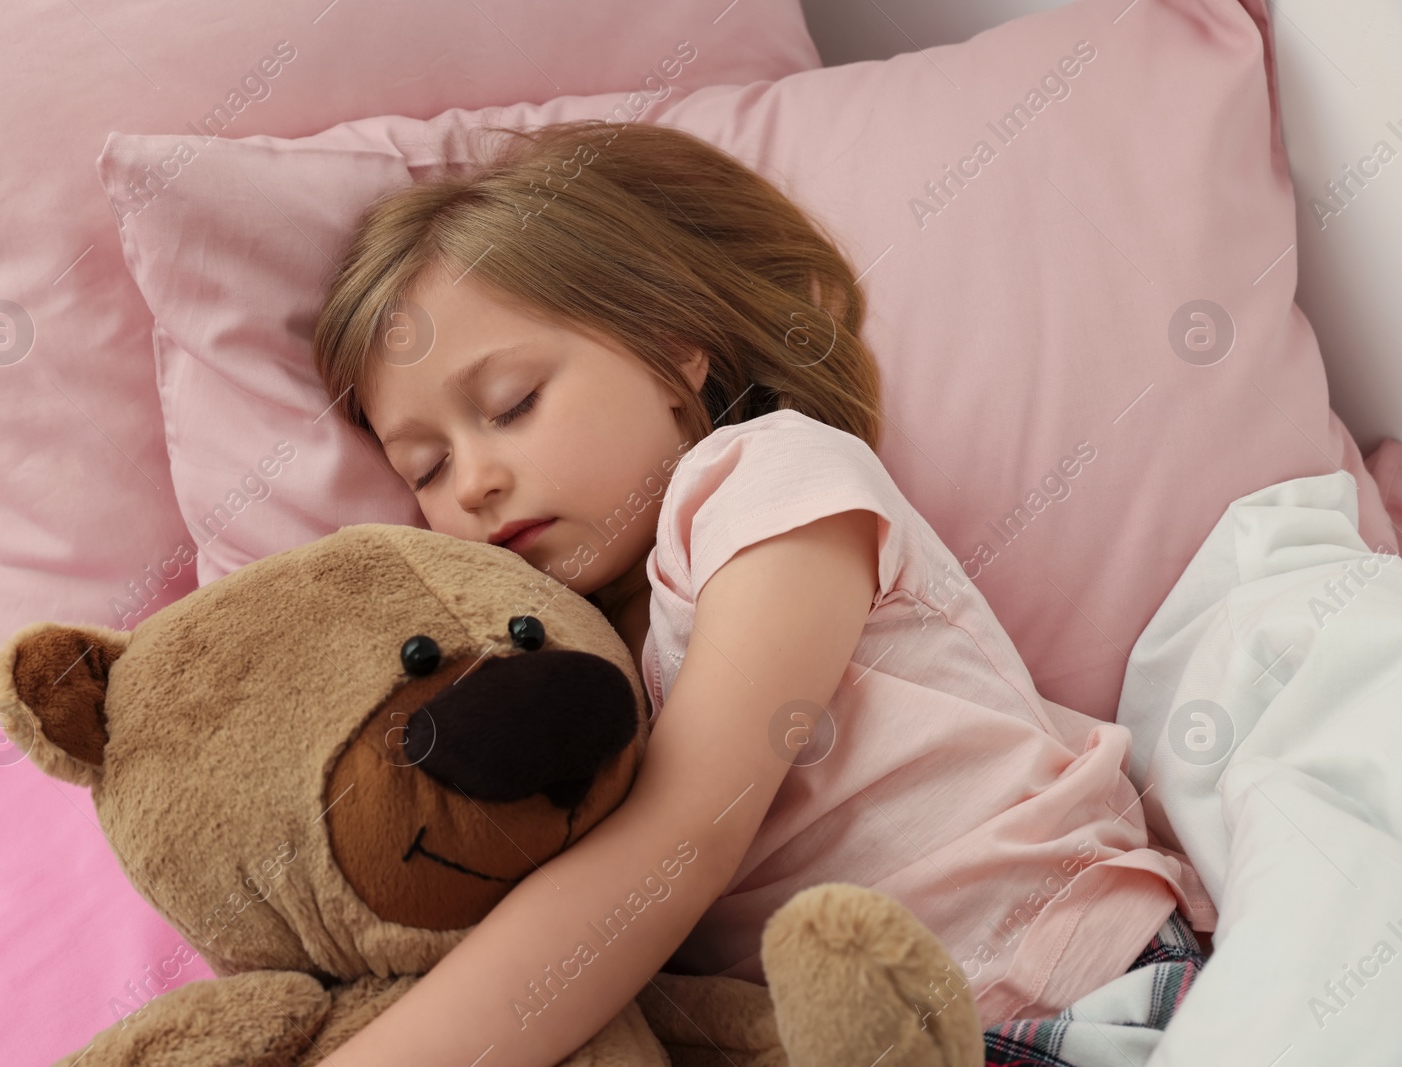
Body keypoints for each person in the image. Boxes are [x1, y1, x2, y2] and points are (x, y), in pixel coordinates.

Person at [305, 118, 1215, 1067]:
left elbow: (679, 842)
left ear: (674, 348)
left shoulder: (766, 484)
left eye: (513, 404)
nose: (474, 481)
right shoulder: (557, 648)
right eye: (425, 465)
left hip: (1061, 989)